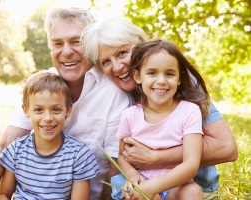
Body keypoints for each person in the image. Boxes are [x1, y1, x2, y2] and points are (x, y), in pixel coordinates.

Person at [0, 7, 131, 200]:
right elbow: (5, 143)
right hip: (34, 181)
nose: (66, 52)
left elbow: (114, 170)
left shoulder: (113, 92)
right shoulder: (43, 85)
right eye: (57, 43)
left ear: (91, 45)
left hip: (78, 192)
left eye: (76, 41)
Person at [81, 17, 238, 198]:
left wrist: (155, 158)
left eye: (122, 53)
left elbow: (227, 147)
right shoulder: (119, 95)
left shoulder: (171, 83)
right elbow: (120, 157)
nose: (117, 67)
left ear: (141, 45)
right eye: (105, 61)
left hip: (190, 186)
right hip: (142, 183)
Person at [112, 39, 209, 200]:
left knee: (192, 192)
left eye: (169, 74)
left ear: (179, 78)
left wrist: (155, 186)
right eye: (152, 73)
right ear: (137, 76)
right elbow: (122, 156)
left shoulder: (189, 111)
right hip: (141, 180)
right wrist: (132, 175)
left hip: (174, 183)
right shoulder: (130, 115)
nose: (161, 80)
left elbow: (191, 164)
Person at [0, 70, 99, 200]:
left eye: (56, 109)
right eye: (39, 110)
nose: (48, 118)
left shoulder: (79, 155)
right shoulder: (15, 150)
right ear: (26, 110)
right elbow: (3, 194)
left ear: (68, 110)